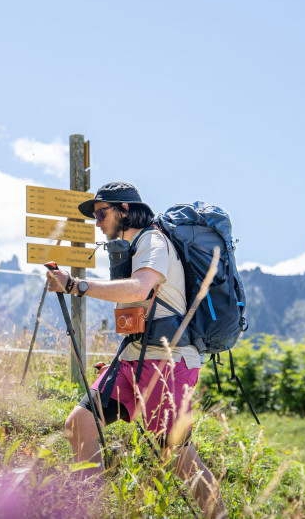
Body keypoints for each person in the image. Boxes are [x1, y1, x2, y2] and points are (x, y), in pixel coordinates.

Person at [46, 182, 226, 518]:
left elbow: (138, 288)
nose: (97, 221)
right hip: (134, 357)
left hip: (166, 363)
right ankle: (92, 510)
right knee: (80, 422)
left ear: (125, 210)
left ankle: (219, 515)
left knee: (178, 456)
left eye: (101, 213)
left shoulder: (153, 240)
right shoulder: (134, 247)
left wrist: (76, 285)